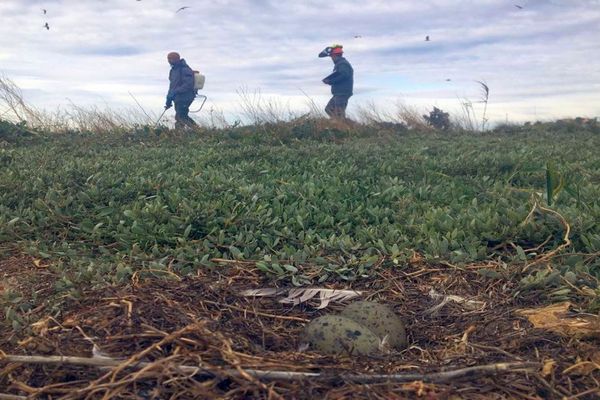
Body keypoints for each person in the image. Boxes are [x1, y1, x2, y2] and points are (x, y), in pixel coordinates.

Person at [319, 44, 354, 119]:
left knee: (339, 114)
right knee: (329, 109)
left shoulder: (342, 64)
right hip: (339, 93)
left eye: (331, 56)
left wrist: (330, 81)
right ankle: (340, 125)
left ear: (334, 55)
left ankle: (343, 127)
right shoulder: (341, 63)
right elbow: (342, 74)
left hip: (342, 93)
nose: (331, 58)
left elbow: (344, 75)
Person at [165, 52, 197, 129]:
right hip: (178, 98)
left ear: (176, 59)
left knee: (180, 116)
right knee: (181, 116)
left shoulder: (185, 69)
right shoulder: (173, 71)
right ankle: (196, 131)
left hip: (186, 96)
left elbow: (188, 84)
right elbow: (172, 86)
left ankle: (198, 131)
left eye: (171, 59)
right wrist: (168, 99)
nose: (169, 61)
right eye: (168, 59)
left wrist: (176, 91)